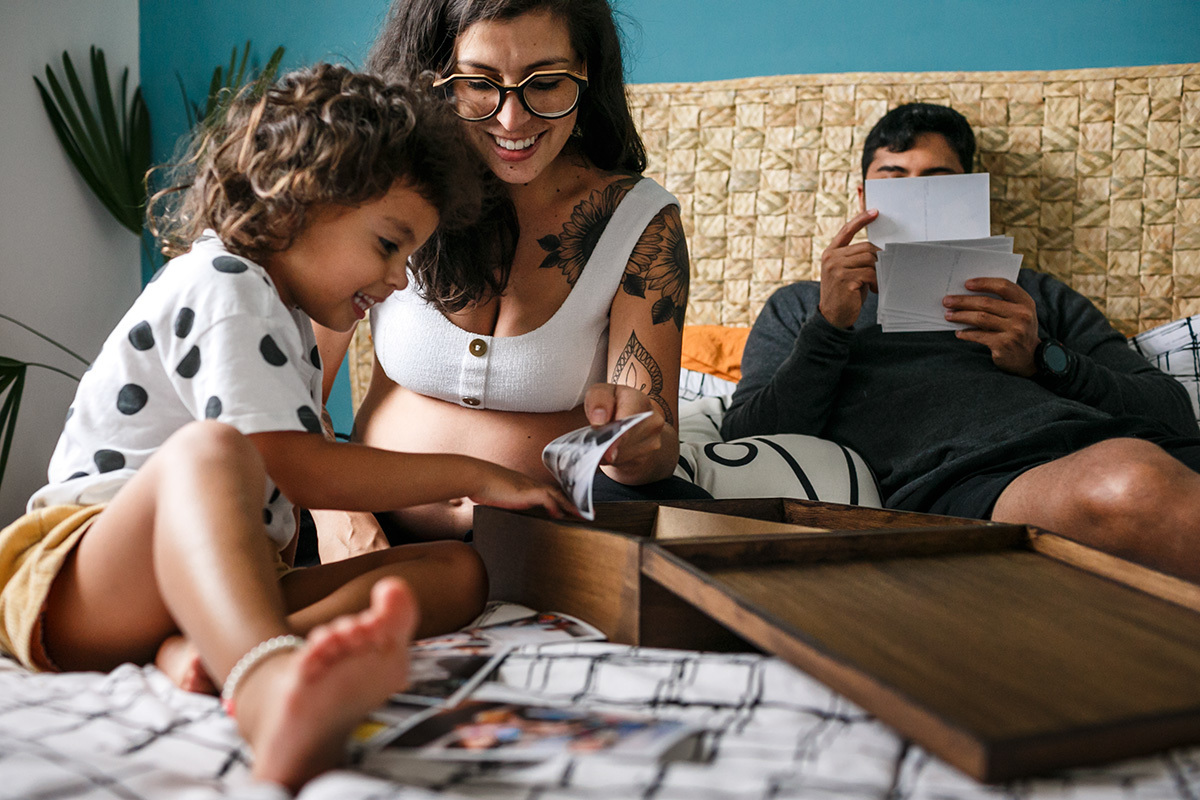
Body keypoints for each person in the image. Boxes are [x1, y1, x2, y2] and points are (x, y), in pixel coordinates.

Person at [0, 64, 573, 794]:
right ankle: (267, 686)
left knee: (457, 572)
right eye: (389, 244)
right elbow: (294, 466)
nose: (400, 279)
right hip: (84, 577)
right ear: (299, 200)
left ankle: (207, 649)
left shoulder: (285, 313)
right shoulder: (225, 282)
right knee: (211, 454)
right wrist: (473, 472)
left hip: (213, 587)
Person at [722, 102, 1200, 581]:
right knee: (1129, 483)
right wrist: (829, 327)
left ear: (969, 195)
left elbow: (1173, 411)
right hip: (977, 481)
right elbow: (745, 442)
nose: (916, 195)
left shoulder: (1032, 293)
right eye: (894, 177)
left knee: (1137, 472)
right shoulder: (803, 306)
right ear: (864, 193)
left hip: (1130, 447)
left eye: (937, 179)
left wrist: (1041, 359)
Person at [312, 0, 710, 555]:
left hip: (548, 540)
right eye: (479, 82)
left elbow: (652, 446)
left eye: (544, 82)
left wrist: (639, 443)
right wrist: (338, 516)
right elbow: (291, 399)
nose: (511, 120)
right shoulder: (381, 191)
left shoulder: (639, 224)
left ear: (587, 72)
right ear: (436, 77)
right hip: (366, 521)